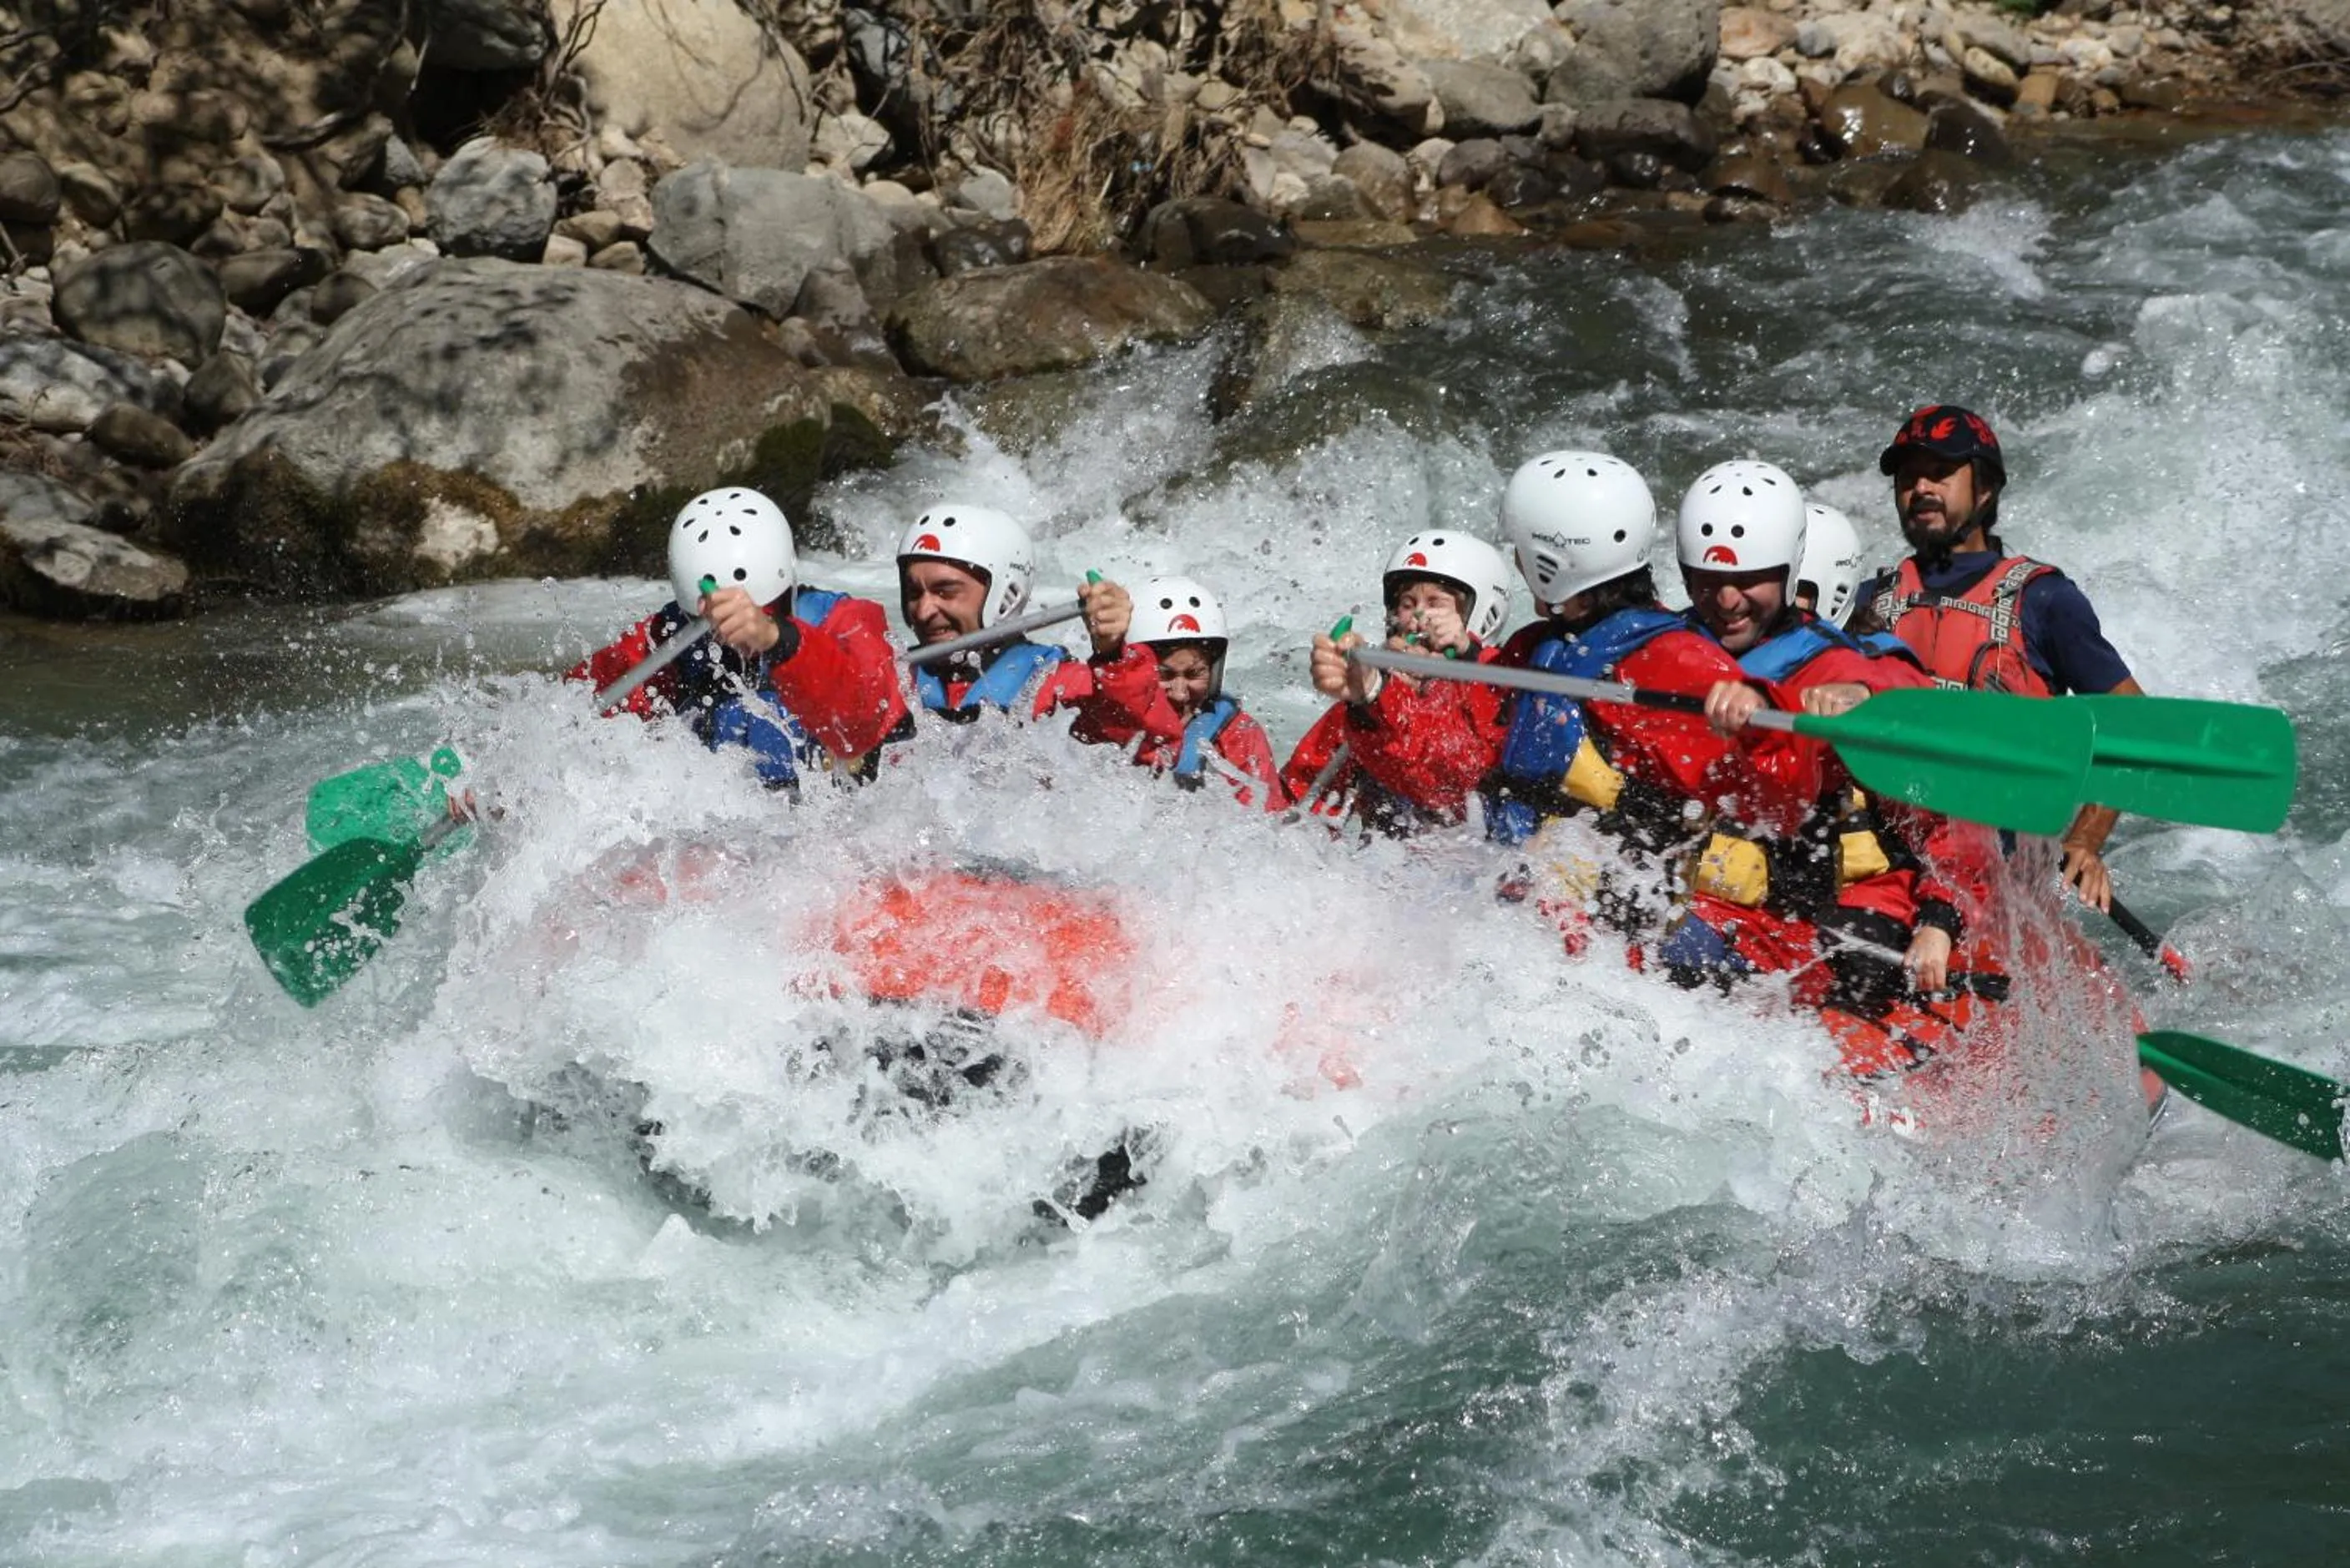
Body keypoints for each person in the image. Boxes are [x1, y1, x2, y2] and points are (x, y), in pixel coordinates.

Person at [1670, 460, 1998, 1011]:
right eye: (1708, 580)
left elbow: (1953, 795)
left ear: (1788, 570)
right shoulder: (1672, 653)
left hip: (1840, 918)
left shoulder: (1849, 670)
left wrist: (1940, 920)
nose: (1727, 600)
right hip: (1726, 916)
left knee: (1861, 961)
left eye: (1749, 579)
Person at [1854, 405, 2146, 911]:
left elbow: (2134, 726)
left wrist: (2086, 840)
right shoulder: (1867, 602)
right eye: (1908, 476)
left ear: (1985, 489)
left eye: (1941, 473)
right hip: (1881, 864)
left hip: (1994, 882)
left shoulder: (2045, 601)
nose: (1920, 487)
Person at [566, 487, 907, 786]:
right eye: (717, 622)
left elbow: (859, 726)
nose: (734, 637)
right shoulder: (669, 636)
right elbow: (565, 706)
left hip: (839, 825)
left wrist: (778, 640)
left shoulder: (849, 621)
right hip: (728, 830)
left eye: (757, 613)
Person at [1280, 528, 1515, 834]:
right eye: (1406, 603)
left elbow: (1443, 779)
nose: (1416, 616)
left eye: (1435, 602)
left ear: (1483, 615)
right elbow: (1298, 799)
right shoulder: (1364, 701)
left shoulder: (1498, 682)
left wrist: (1378, 694)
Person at [895, 502, 1178, 748]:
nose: (923, 611)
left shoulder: (1053, 684)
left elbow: (1144, 745)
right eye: (914, 593)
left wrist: (1113, 655)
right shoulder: (895, 682)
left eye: (946, 591)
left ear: (1006, 594)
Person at [1126, 577, 1288, 810]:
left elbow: (1267, 824)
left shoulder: (1238, 735)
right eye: (1165, 676)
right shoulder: (1106, 720)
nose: (1181, 694)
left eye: (1194, 674)